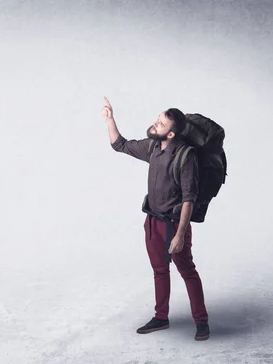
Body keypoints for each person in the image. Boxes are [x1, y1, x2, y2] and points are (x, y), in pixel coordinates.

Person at [101, 96, 210, 341]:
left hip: (174, 225)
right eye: (157, 119)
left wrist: (181, 235)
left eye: (160, 124)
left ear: (171, 134)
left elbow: (189, 199)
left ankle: (202, 321)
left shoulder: (185, 156)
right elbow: (120, 145)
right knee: (159, 271)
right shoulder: (152, 147)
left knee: (187, 271)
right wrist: (110, 119)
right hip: (152, 221)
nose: (154, 124)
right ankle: (161, 318)